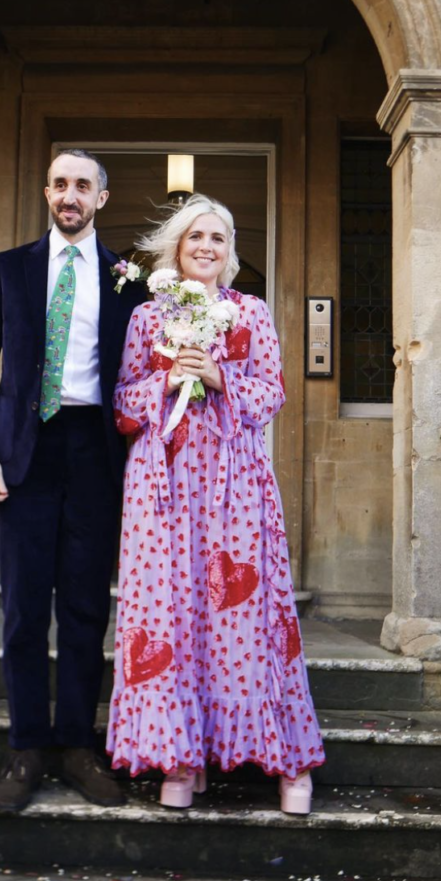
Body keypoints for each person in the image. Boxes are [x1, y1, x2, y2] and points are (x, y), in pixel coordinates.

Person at [106, 193, 325, 812]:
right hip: (164, 484)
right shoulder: (148, 317)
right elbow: (122, 404)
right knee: (171, 614)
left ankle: (288, 761)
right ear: (178, 248)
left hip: (235, 482)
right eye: (196, 236)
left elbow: (273, 393)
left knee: (247, 619)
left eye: (219, 239)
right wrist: (168, 380)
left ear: (230, 253)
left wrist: (218, 376)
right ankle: (180, 756)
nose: (207, 246)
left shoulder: (249, 313)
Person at [0, 150, 145, 814]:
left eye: (82, 187)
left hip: (96, 452)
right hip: (24, 456)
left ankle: (75, 744)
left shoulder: (128, 278)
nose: (70, 195)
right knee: (24, 608)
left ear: (101, 197)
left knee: (86, 607)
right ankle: (26, 746)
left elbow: (147, 366)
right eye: (60, 184)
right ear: (46, 192)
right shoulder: (9, 270)